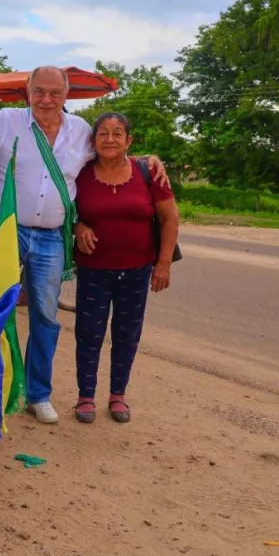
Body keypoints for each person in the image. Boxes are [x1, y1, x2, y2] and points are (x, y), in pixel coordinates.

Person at [0, 66, 170, 424]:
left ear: (66, 95)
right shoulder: (6, 121)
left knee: (45, 317)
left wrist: (148, 159)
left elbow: (113, 150)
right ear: (28, 91)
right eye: (40, 92)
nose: (47, 99)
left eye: (55, 93)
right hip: (8, 232)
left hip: (50, 238)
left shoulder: (81, 131)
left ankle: (38, 394)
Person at [72, 113, 179, 424]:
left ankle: (118, 395)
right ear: (92, 141)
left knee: (126, 333)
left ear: (128, 141)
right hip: (93, 269)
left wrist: (163, 264)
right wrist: (79, 227)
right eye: (102, 133)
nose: (110, 139)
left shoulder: (148, 173)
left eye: (118, 133)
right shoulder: (80, 174)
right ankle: (86, 396)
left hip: (137, 269)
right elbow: (67, 211)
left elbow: (169, 220)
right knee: (88, 334)